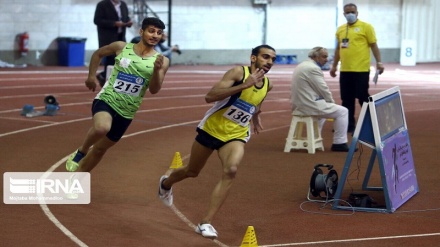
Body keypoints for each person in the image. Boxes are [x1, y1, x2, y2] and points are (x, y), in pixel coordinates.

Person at [158, 45, 276, 239]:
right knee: (192, 171)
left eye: (272, 59)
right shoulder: (238, 72)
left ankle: (205, 222)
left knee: (231, 170)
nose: (269, 62)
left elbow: (256, 102)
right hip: (212, 129)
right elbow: (210, 96)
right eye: (265, 57)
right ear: (253, 58)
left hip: (236, 134)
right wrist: (244, 85)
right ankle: (166, 183)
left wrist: (255, 116)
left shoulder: (267, 84)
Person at [65, 17, 169, 174]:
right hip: (107, 99)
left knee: (100, 150)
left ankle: (77, 179)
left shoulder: (162, 60)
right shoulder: (122, 47)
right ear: (142, 31)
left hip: (127, 111)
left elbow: (154, 89)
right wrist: (91, 76)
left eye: (159, 33)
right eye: (151, 31)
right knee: (102, 128)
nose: (155, 35)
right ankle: (82, 150)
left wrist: (156, 70)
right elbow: (98, 54)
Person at [329, 3, 385, 133]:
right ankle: (348, 125)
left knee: (362, 96)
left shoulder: (366, 27)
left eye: (352, 12)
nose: (350, 14)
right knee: (346, 98)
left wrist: (379, 62)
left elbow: (374, 45)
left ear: (357, 13)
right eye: (347, 12)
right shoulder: (341, 29)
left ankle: (374, 123)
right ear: (344, 14)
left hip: (361, 70)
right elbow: (338, 49)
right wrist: (334, 66)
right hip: (345, 70)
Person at [291, 47, 350, 152]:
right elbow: (323, 89)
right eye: (324, 56)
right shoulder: (313, 68)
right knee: (343, 111)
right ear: (315, 57)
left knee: (322, 113)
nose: (326, 59)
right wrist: (331, 102)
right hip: (308, 105)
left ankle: (313, 138)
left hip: (299, 104)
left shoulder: (302, 65)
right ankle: (339, 143)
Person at [94, 0, 133, 87]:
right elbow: (97, 20)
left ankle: (104, 76)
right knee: (111, 59)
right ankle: (106, 78)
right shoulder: (102, 5)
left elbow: (125, 17)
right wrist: (114, 23)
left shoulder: (123, 4)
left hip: (121, 36)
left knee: (122, 59)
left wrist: (129, 22)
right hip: (107, 37)